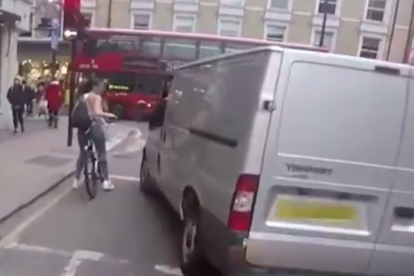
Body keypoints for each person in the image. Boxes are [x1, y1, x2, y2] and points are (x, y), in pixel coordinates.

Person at [72, 78, 117, 191]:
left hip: (82, 127)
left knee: (83, 153)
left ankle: (76, 180)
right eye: (102, 86)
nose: (103, 89)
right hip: (94, 126)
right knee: (101, 153)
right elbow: (97, 112)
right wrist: (110, 115)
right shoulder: (96, 97)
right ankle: (106, 181)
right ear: (95, 87)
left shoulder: (82, 97)